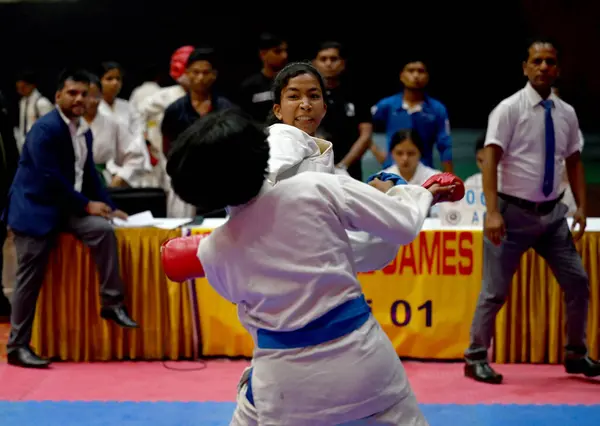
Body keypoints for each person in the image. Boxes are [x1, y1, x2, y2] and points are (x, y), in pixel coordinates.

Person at [166, 108, 461, 425]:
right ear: (261, 153)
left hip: (284, 387)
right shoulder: (314, 187)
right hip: (365, 365)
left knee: (253, 398)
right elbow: (403, 225)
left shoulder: (213, 252)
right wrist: (415, 193)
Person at [464, 38, 600, 384]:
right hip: (511, 214)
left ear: (557, 69)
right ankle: (475, 356)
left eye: (550, 62)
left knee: (578, 283)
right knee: (494, 291)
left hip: (553, 216)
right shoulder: (508, 109)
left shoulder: (567, 112)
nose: (543, 67)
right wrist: (492, 212)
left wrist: (581, 205)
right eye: (537, 61)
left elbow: (574, 160)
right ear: (525, 67)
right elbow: (491, 159)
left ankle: (575, 353)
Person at [2, 69, 138, 369]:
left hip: (64, 208)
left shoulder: (82, 131)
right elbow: (49, 179)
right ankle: (17, 346)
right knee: (29, 279)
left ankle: (111, 304)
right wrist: (87, 204)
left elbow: (89, 174)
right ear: (58, 96)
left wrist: (108, 205)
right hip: (35, 211)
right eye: (72, 93)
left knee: (103, 229)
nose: (79, 99)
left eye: (84, 94)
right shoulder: (46, 129)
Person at [265, 61, 402, 272]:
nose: (305, 104)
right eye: (293, 96)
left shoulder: (319, 151)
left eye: (314, 96)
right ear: (278, 110)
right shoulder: (280, 142)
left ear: (324, 108)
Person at [312, 41, 372, 181]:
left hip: (350, 170)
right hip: (315, 167)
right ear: (314, 63)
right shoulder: (307, 94)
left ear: (343, 63)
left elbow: (366, 135)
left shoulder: (357, 93)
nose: (328, 63)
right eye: (323, 59)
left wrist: (342, 167)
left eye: (333, 59)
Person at [239, 32, 288, 123]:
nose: (284, 56)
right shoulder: (249, 86)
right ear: (263, 54)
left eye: (285, 51)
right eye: (277, 51)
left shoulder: (291, 81)